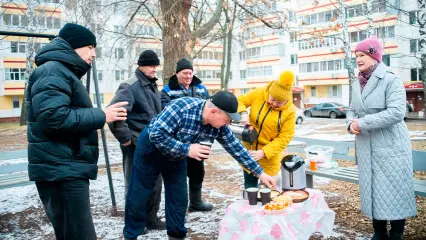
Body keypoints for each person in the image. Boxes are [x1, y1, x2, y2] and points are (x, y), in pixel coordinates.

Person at [123, 91, 277, 240]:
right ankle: (131, 235)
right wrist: (188, 149)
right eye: (228, 119)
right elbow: (157, 134)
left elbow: (236, 148)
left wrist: (260, 173)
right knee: (140, 193)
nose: (229, 123)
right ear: (213, 112)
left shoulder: (219, 126)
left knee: (179, 198)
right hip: (151, 149)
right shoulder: (182, 107)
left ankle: (176, 236)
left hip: (176, 156)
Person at [26, 23, 128, 240]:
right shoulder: (52, 71)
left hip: (65, 168)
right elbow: (54, 118)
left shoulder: (62, 72)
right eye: (90, 47)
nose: (94, 53)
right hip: (61, 170)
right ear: (73, 46)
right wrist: (102, 115)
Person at [346, 35, 417, 240]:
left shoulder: (390, 79)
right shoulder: (355, 83)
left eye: (362, 55)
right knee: (373, 191)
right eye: (356, 56)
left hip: (390, 147)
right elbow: (350, 110)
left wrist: (363, 122)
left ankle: (396, 233)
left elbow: (397, 112)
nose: (358, 59)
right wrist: (350, 124)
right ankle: (379, 232)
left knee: (394, 190)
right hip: (366, 147)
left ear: (374, 56)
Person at [108, 50, 165, 230]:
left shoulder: (151, 85)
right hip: (135, 144)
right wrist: (126, 139)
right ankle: (136, 223)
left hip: (154, 143)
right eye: (151, 65)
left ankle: (151, 219)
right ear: (141, 66)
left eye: (156, 65)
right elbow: (115, 113)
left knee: (155, 183)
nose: (154, 68)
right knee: (136, 184)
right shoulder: (130, 86)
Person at [161, 58, 212, 212]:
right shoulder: (167, 91)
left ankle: (196, 202)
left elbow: (209, 107)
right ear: (177, 74)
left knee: (197, 172)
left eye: (190, 73)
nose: (188, 76)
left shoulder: (201, 89)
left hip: (198, 139)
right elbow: (165, 112)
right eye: (185, 73)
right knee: (178, 174)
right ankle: (179, 207)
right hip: (178, 141)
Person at [238, 70, 296, 189]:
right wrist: (243, 113)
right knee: (250, 189)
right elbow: (240, 100)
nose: (274, 104)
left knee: (268, 190)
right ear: (269, 92)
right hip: (250, 153)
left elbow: (285, 137)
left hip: (269, 157)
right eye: (272, 99)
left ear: (286, 100)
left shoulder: (290, 111)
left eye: (279, 102)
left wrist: (264, 152)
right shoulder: (259, 93)